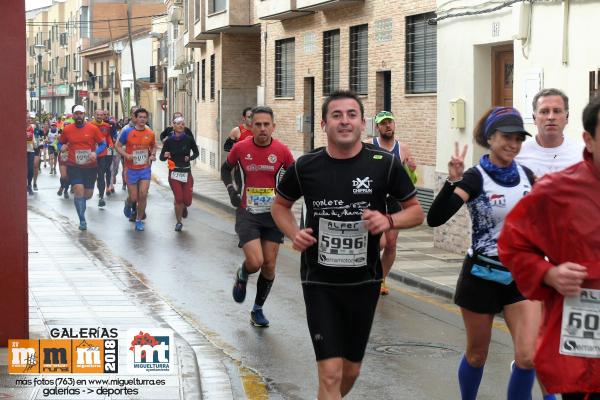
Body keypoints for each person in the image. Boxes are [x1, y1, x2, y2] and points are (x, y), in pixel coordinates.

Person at [271, 90, 424, 399]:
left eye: (351, 115)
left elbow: (417, 212)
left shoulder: (384, 164)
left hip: (365, 280)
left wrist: (389, 221)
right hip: (319, 280)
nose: (344, 121)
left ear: (363, 124)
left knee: (350, 371)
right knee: (330, 373)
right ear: (324, 124)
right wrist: (293, 233)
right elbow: (279, 206)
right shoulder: (306, 166)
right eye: (336, 116)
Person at [427, 107, 539, 400]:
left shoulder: (528, 176)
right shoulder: (475, 178)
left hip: (519, 277)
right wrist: (452, 182)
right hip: (481, 276)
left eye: (518, 139)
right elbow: (436, 218)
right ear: (490, 138)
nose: (513, 145)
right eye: (506, 137)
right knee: (477, 355)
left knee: (528, 357)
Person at [498, 96, 600, 400]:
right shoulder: (557, 191)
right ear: (589, 140)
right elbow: (512, 244)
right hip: (584, 335)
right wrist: (549, 273)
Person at [220, 106, 294, 327]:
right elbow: (226, 170)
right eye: (258, 124)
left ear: (273, 127)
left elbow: (294, 177)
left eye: (266, 124)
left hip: (273, 215)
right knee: (256, 261)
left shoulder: (282, 151)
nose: (262, 128)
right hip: (247, 212)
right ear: (250, 126)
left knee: (269, 265)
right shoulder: (241, 148)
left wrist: (287, 200)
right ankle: (243, 273)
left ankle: (257, 310)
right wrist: (232, 190)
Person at [368, 110, 418, 295]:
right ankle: (368, 271)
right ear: (377, 127)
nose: (387, 126)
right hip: (374, 200)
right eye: (383, 123)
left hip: (394, 201)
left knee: (390, 245)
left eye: (390, 122)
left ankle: (380, 279)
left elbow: (411, 179)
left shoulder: (402, 148)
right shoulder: (369, 145)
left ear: (394, 125)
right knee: (378, 243)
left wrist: (412, 170)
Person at [58, 105, 106, 230]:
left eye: (81, 113)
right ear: (73, 115)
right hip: (74, 165)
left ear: (84, 114)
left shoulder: (93, 129)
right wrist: (61, 148)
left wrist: (96, 152)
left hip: (90, 166)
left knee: (88, 194)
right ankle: (82, 219)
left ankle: (81, 204)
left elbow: (103, 143)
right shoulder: (67, 129)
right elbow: (60, 142)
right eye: (76, 113)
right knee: (78, 190)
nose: (78, 116)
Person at [516, 88, 583, 177]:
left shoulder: (582, 154)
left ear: (567, 117)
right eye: (544, 112)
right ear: (534, 118)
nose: (551, 117)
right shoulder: (518, 154)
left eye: (557, 111)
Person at [116, 108, 156, 231]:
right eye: (140, 117)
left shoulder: (150, 133)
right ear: (136, 118)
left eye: (145, 117)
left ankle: (139, 220)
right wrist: (126, 155)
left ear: (147, 119)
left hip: (144, 169)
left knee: (143, 195)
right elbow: (117, 146)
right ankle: (128, 203)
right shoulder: (127, 132)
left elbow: (153, 146)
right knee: (133, 197)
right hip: (131, 169)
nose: (142, 119)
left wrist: (152, 155)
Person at [159, 116, 199, 231]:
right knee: (179, 198)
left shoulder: (189, 139)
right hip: (174, 173)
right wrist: (165, 155)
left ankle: (184, 207)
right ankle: (178, 222)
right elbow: (161, 157)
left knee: (187, 201)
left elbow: (196, 153)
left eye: (182, 124)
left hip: (186, 172)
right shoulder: (169, 141)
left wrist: (190, 158)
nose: (181, 125)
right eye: (178, 124)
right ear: (174, 126)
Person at [224, 107, 254, 195]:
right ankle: (240, 206)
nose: (251, 119)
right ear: (244, 118)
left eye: (253, 116)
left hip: (256, 166)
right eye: (249, 117)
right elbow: (226, 146)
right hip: (241, 167)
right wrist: (238, 151)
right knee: (241, 189)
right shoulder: (237, 131)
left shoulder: (258, 130)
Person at [90, 109, 114, 207]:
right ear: (94, 115)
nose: (99, 116)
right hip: (91, 154)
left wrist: (111, 143)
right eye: (98, 115)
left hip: (102, 154)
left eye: (101, 115)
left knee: (101, 175)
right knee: (91, 175)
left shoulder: (107, 126)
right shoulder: (90, 126)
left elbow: (107, 136)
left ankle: (101, 197)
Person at [26, 116, 37, 195]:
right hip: (22, 151)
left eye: (29, 118)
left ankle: (29, 185)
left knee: (30, 169)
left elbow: (34, 137)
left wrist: (36, 144)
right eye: (27, 118)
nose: (28, 120)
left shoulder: (32, 126)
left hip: (31, 150)